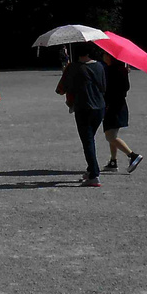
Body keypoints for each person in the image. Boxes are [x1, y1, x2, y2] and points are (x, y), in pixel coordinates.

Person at [56, 42, 107, 187]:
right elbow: (104, 87)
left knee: (88, 141)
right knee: (90, 138)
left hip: (83, 107)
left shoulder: (73, 67)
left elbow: (62, 89)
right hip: (99, 106)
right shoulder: (99, 66)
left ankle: (94, 175)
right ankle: (91, 170)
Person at [101, 53, 144, 174]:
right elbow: (126, 88)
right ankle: (113, 161)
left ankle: (132, 155)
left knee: (110, 136)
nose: (103, 56)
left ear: (110, 57)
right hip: (119, 105)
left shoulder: (111, 71)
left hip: (112, 106)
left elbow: (106, 89)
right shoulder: (121, 70)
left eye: (105, 55)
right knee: (111, 132)